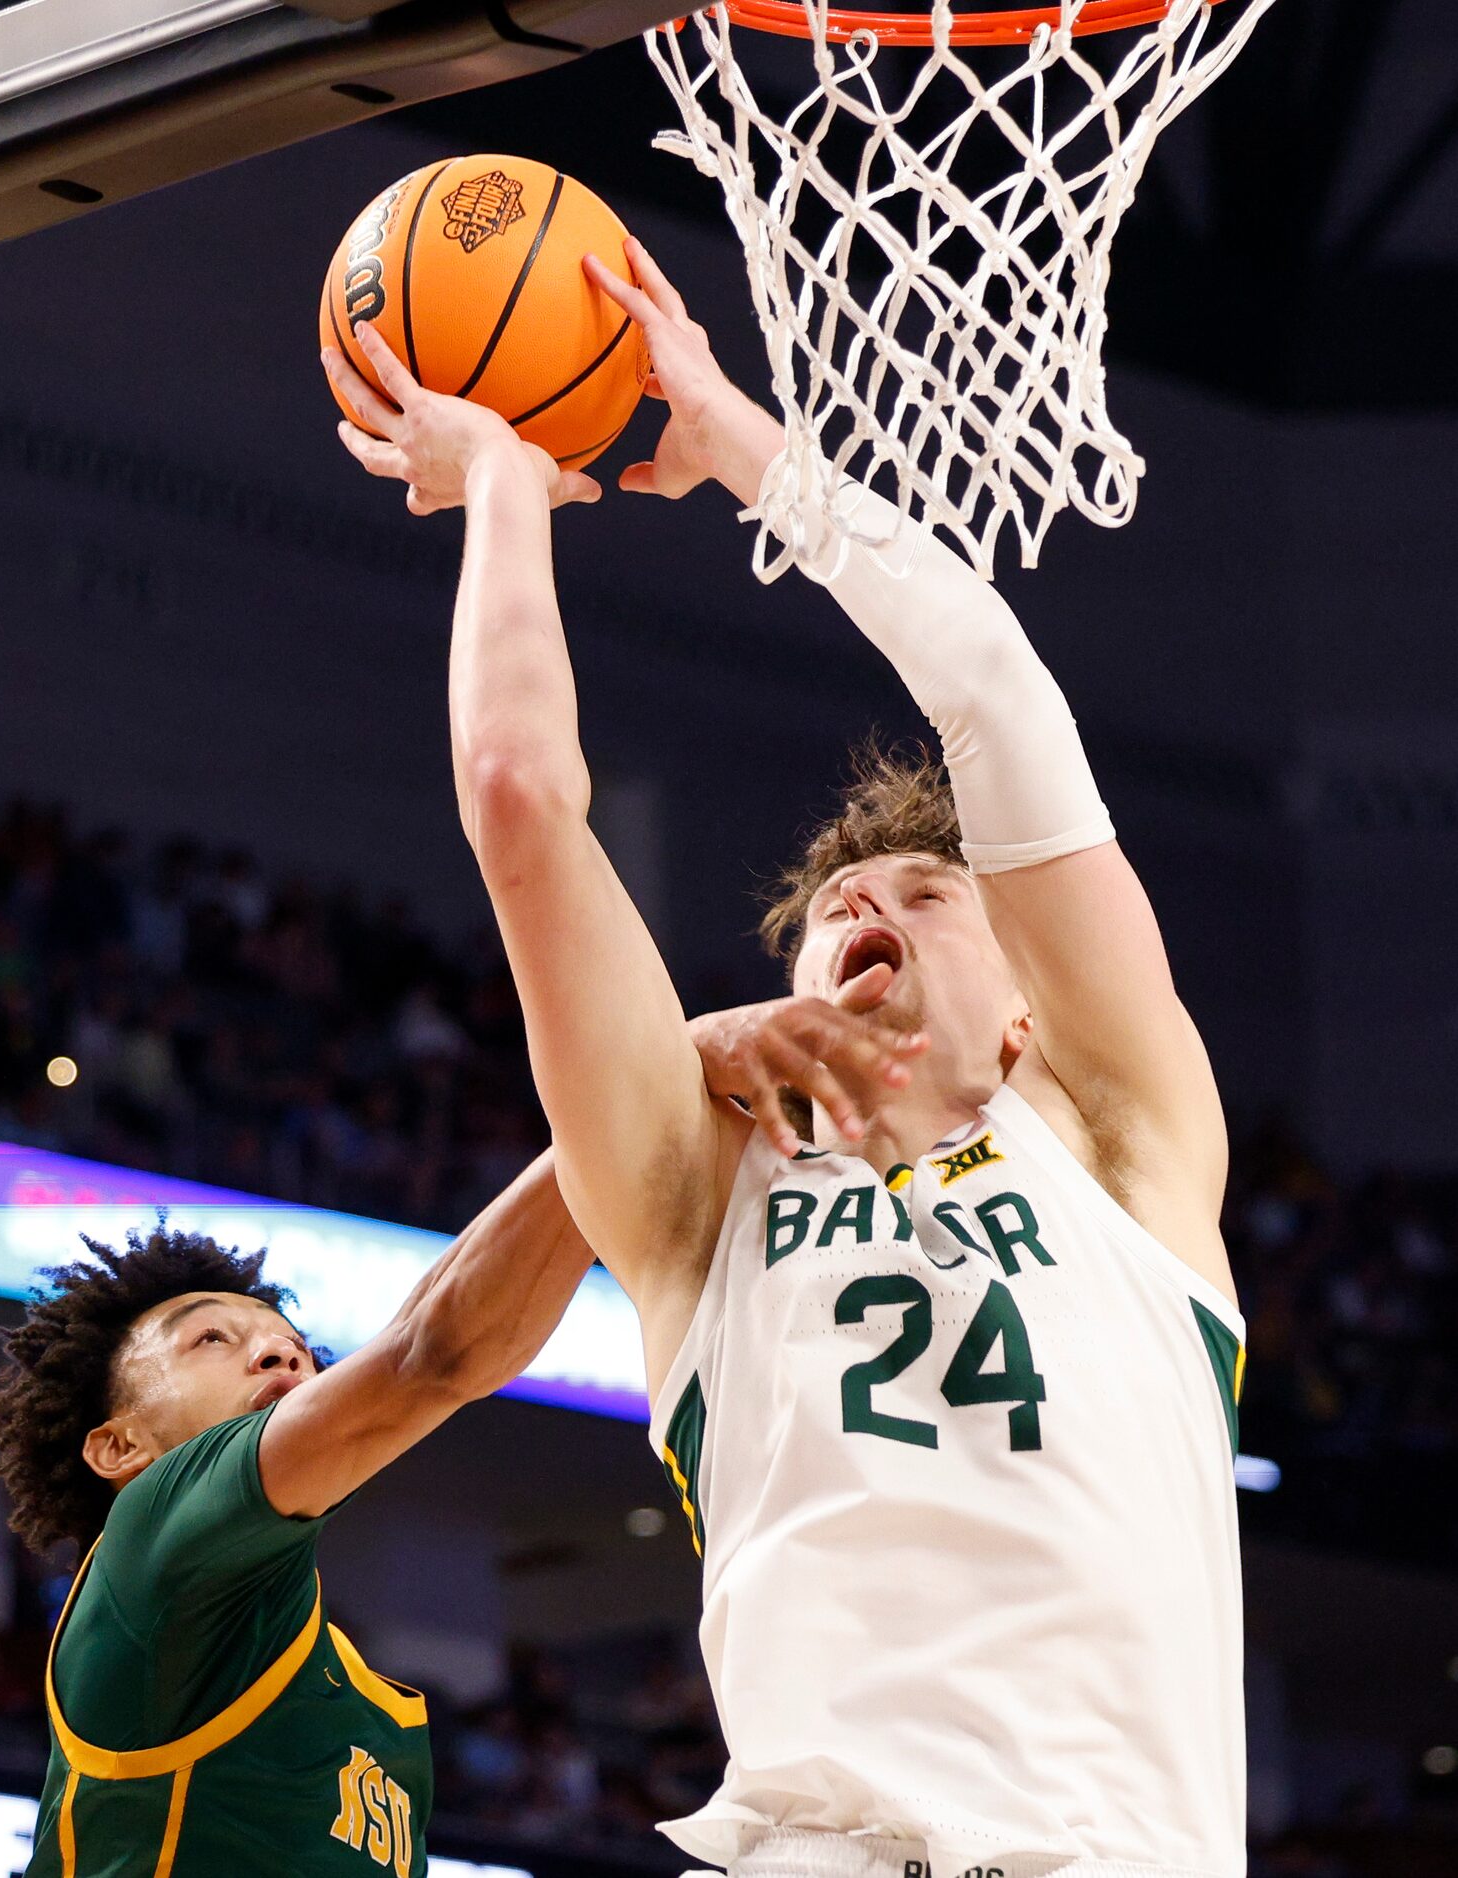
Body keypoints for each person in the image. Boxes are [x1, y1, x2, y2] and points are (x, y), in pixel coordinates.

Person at [323, 237, 1249, 1878]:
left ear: (1029, 1007)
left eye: (922, 891)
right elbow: (519, 796)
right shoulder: (697, 1194)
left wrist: (736, 439)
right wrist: (511, 492)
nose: (860, 902)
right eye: (833, 905)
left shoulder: (1125, 1143)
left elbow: (989, 687)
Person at [0, 1012, 906, 1878]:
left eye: (294, 1347)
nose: (278, 1350)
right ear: (117, 1446)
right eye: (210, 1340)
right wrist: (654, 1076)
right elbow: (435, 1351)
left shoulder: (362, 1705)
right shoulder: (151, 1554)